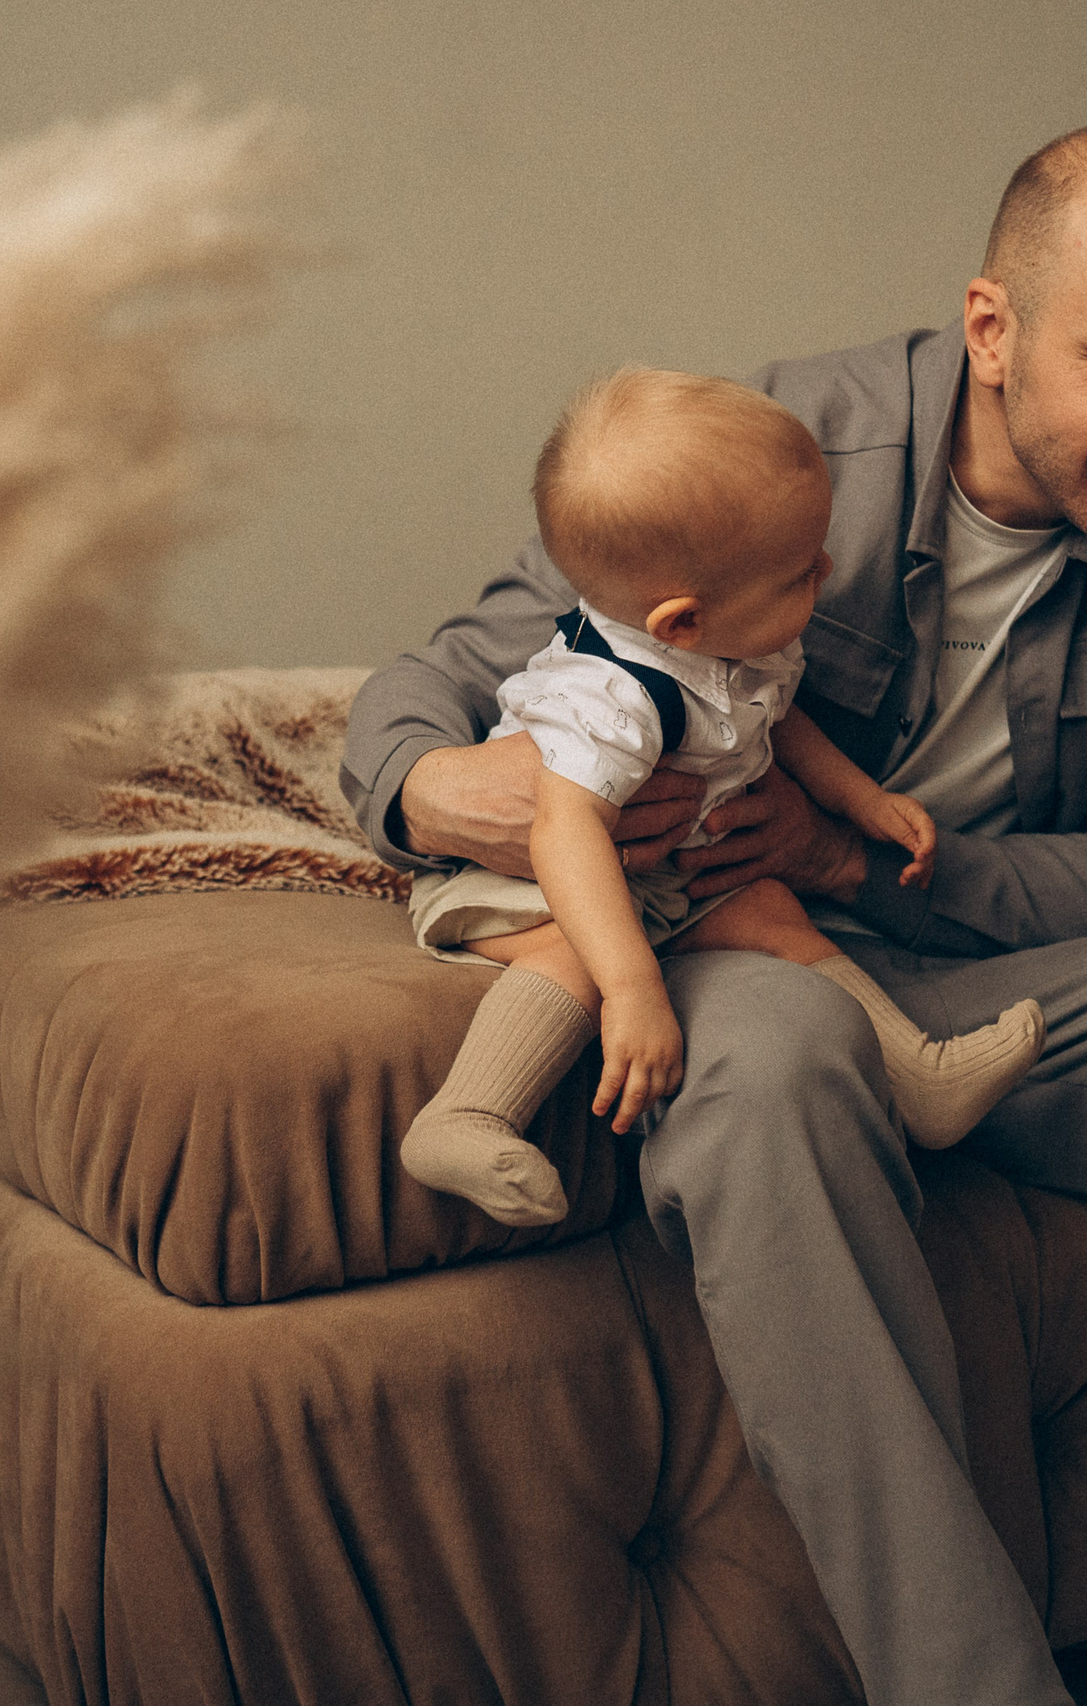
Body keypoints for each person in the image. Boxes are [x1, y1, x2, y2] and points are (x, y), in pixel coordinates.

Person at [343, 124, 1087, 1706]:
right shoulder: (778, 452)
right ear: (991, 331)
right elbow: (422, 696)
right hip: (749, 954)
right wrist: (468, 797)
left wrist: (863, 865)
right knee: (764, 1068)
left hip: (985, 968)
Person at [402, 368, 1043, 1227]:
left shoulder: (749, 637)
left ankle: (918, 1080)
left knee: (775, 910)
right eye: (799, 573)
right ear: (680, 625)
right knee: (574, 959)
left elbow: (777, 721)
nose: (827, 571)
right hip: (530, 881)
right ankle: (465, 1115)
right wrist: (633, 988)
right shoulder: (614, 700)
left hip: (660, 873)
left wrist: (859, 801)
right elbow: (563, 834)